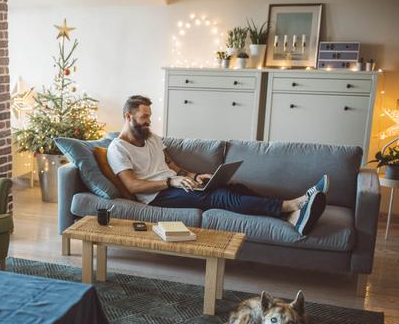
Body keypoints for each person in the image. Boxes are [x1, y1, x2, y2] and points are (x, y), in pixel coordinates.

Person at [106, 95, 328, 236]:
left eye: (149, 116)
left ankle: (289, 216)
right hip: (157, 196)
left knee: (235, 188)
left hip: (177, 184)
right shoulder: (118, 148)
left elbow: (171, 163)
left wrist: (194, 175)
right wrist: (170, 181)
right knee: (218, 197)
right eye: (144, 117)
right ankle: (291, 206)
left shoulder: (152, 137)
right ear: (128, 116)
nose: (149, 121)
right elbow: (133, 186)